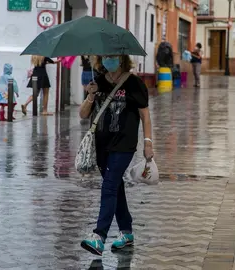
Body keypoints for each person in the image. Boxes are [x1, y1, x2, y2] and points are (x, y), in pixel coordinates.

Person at [78, 54, 153, 256]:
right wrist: (91, 95)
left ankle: (99, 236)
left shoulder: (134, 83)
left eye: (112, 57)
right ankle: (127, 232)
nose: (108, 60)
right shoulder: (98, 81)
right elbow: (83, 114)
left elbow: (145, 115)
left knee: (109, 186)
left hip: (124, 144)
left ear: (121, 59)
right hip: (101, 145)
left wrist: (148, 142)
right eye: (105, 57)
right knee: (116, 186)